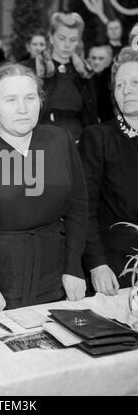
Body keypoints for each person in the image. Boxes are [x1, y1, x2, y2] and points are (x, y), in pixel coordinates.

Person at [0, 63, 88, 317]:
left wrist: (73, 267)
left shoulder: (61, 140)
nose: (23, 109)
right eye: (11, 100)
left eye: (30, 98)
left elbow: (78, 208)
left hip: (56, 276)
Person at [79, 46, 138, 295]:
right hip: (116, 267)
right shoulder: (98, 137)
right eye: (120, 85)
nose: (127, 90)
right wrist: (97, 264)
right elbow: (84, 207)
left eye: (135, 82)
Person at [40, 12, 98, 142]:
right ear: (50, 37)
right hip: (42, 139)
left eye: (73, 40)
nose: (67, 45)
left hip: (78, 141)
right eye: (62, 38)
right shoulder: (34, 69)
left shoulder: (86, 73)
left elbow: (91, 116)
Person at [87, 44, 114, 122]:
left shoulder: (113, 81)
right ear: (88, 60)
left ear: (109, 61)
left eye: (101, 58)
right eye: (93, 58)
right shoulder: (83, 79)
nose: (96, 62)